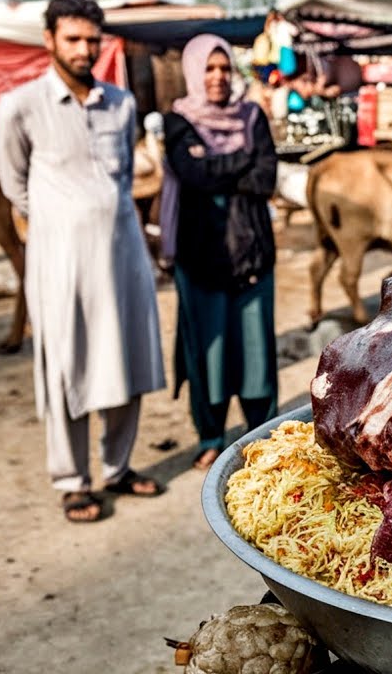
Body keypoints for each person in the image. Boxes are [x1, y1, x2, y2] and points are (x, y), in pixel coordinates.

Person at [0, 0, 166, 523]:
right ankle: (72, 479)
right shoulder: (20, 105)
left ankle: (118, 467)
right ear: (50, 41)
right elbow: (14, 183)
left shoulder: (120, 101)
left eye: (93, 40)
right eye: (74, 39)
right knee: (67, 366)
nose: (85, 49)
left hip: (123, 254)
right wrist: (58, 222)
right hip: (60, 261)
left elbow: (123, 177)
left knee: (126, 358)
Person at [163, 34, 279, 470]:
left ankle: (259, 438)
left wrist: (221, 169)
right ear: (194, 72)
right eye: (208, 69)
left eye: (224, 69)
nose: (217, 78)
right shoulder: (177, 121)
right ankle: (210, 436)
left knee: (256, 354)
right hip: (200, 257)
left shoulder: (252, 115)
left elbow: (264, 179)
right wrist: (243, 161)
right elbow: (192, 175)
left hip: (252, 254)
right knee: (208, 354)